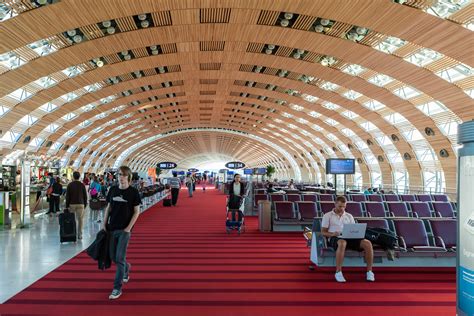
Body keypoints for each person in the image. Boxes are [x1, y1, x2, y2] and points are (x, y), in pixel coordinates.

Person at [102, 166, 141, 300]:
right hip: (112, 228)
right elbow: (109, 207)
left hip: (125, 230)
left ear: (129, 177)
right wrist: (104, 222)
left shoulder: (133, 192)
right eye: (119, 174)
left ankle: (116, 288)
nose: (121, 177)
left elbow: (136, 211)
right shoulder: (113, 189)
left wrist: (128, 228)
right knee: (114, 257)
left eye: (124, 175)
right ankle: (126, 267)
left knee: (119, 258)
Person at [321, 196, 374, 283]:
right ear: (335, 204)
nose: (342, 209)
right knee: (342, 242)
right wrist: (332, 234)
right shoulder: (327, 216)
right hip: (334, 237)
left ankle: (369, 271)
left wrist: (356, 233)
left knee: (367, 243)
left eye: (344, 207)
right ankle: (338, 272)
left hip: (349, 237)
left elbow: (353, 229)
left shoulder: (349, 216)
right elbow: (323, 232)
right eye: (340, 206)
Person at [65, 171, 88, 239]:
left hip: (72, 204)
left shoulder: (70, 185)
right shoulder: (82, 185)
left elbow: (67, 196)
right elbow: (85, 195)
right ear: (79, 176)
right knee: (80, 219)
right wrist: (85, 204)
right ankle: (80, 235)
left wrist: (67, 205)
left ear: (73, 176)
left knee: (72, 219)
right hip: (81, 204)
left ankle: (73, 233)